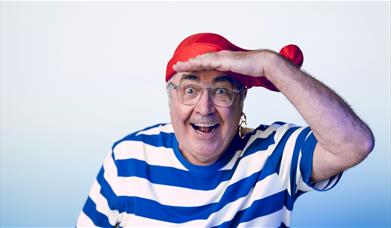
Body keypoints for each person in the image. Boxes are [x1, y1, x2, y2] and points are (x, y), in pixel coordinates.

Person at [76, 33, 374, 227]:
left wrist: (270, 64)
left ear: (241, 100)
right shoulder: (127, 159)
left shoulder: (274, 154)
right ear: (171, 98)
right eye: (190, 90)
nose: (204, 108)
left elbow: (354, 144)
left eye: (221, 91)